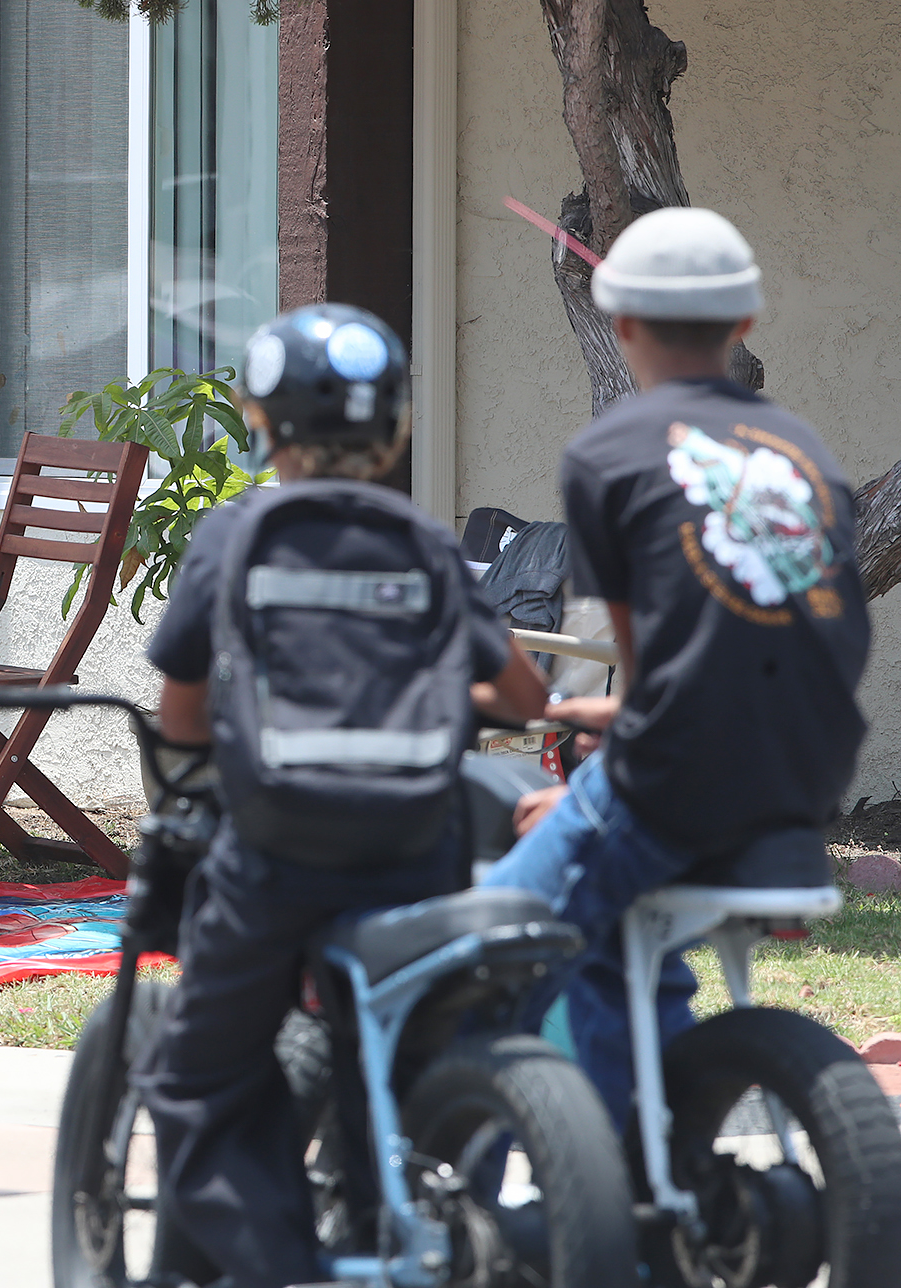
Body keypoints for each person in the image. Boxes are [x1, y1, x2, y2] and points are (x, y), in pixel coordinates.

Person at [134, 303, 550, 1288]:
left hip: (272, 856)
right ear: (393, 428)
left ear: (257, 420)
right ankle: (403, 1224)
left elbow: (182, 717)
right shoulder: (420, 541)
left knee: (197, 1078)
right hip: (415, 852)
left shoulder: (235, 536)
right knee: (400, 1067)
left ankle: (286, 1266)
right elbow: (523, 695)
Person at [478, 206, 871, 1133]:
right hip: (806, 771)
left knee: (479, 962)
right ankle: (645, 1158)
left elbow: (641, 663)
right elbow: (822, 643)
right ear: (745, 325)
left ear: (618, 325)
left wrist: (597, 781)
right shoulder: (804, 451)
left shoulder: (608, 453)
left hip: (676, 781)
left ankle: (468, 1232)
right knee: (618, 954)